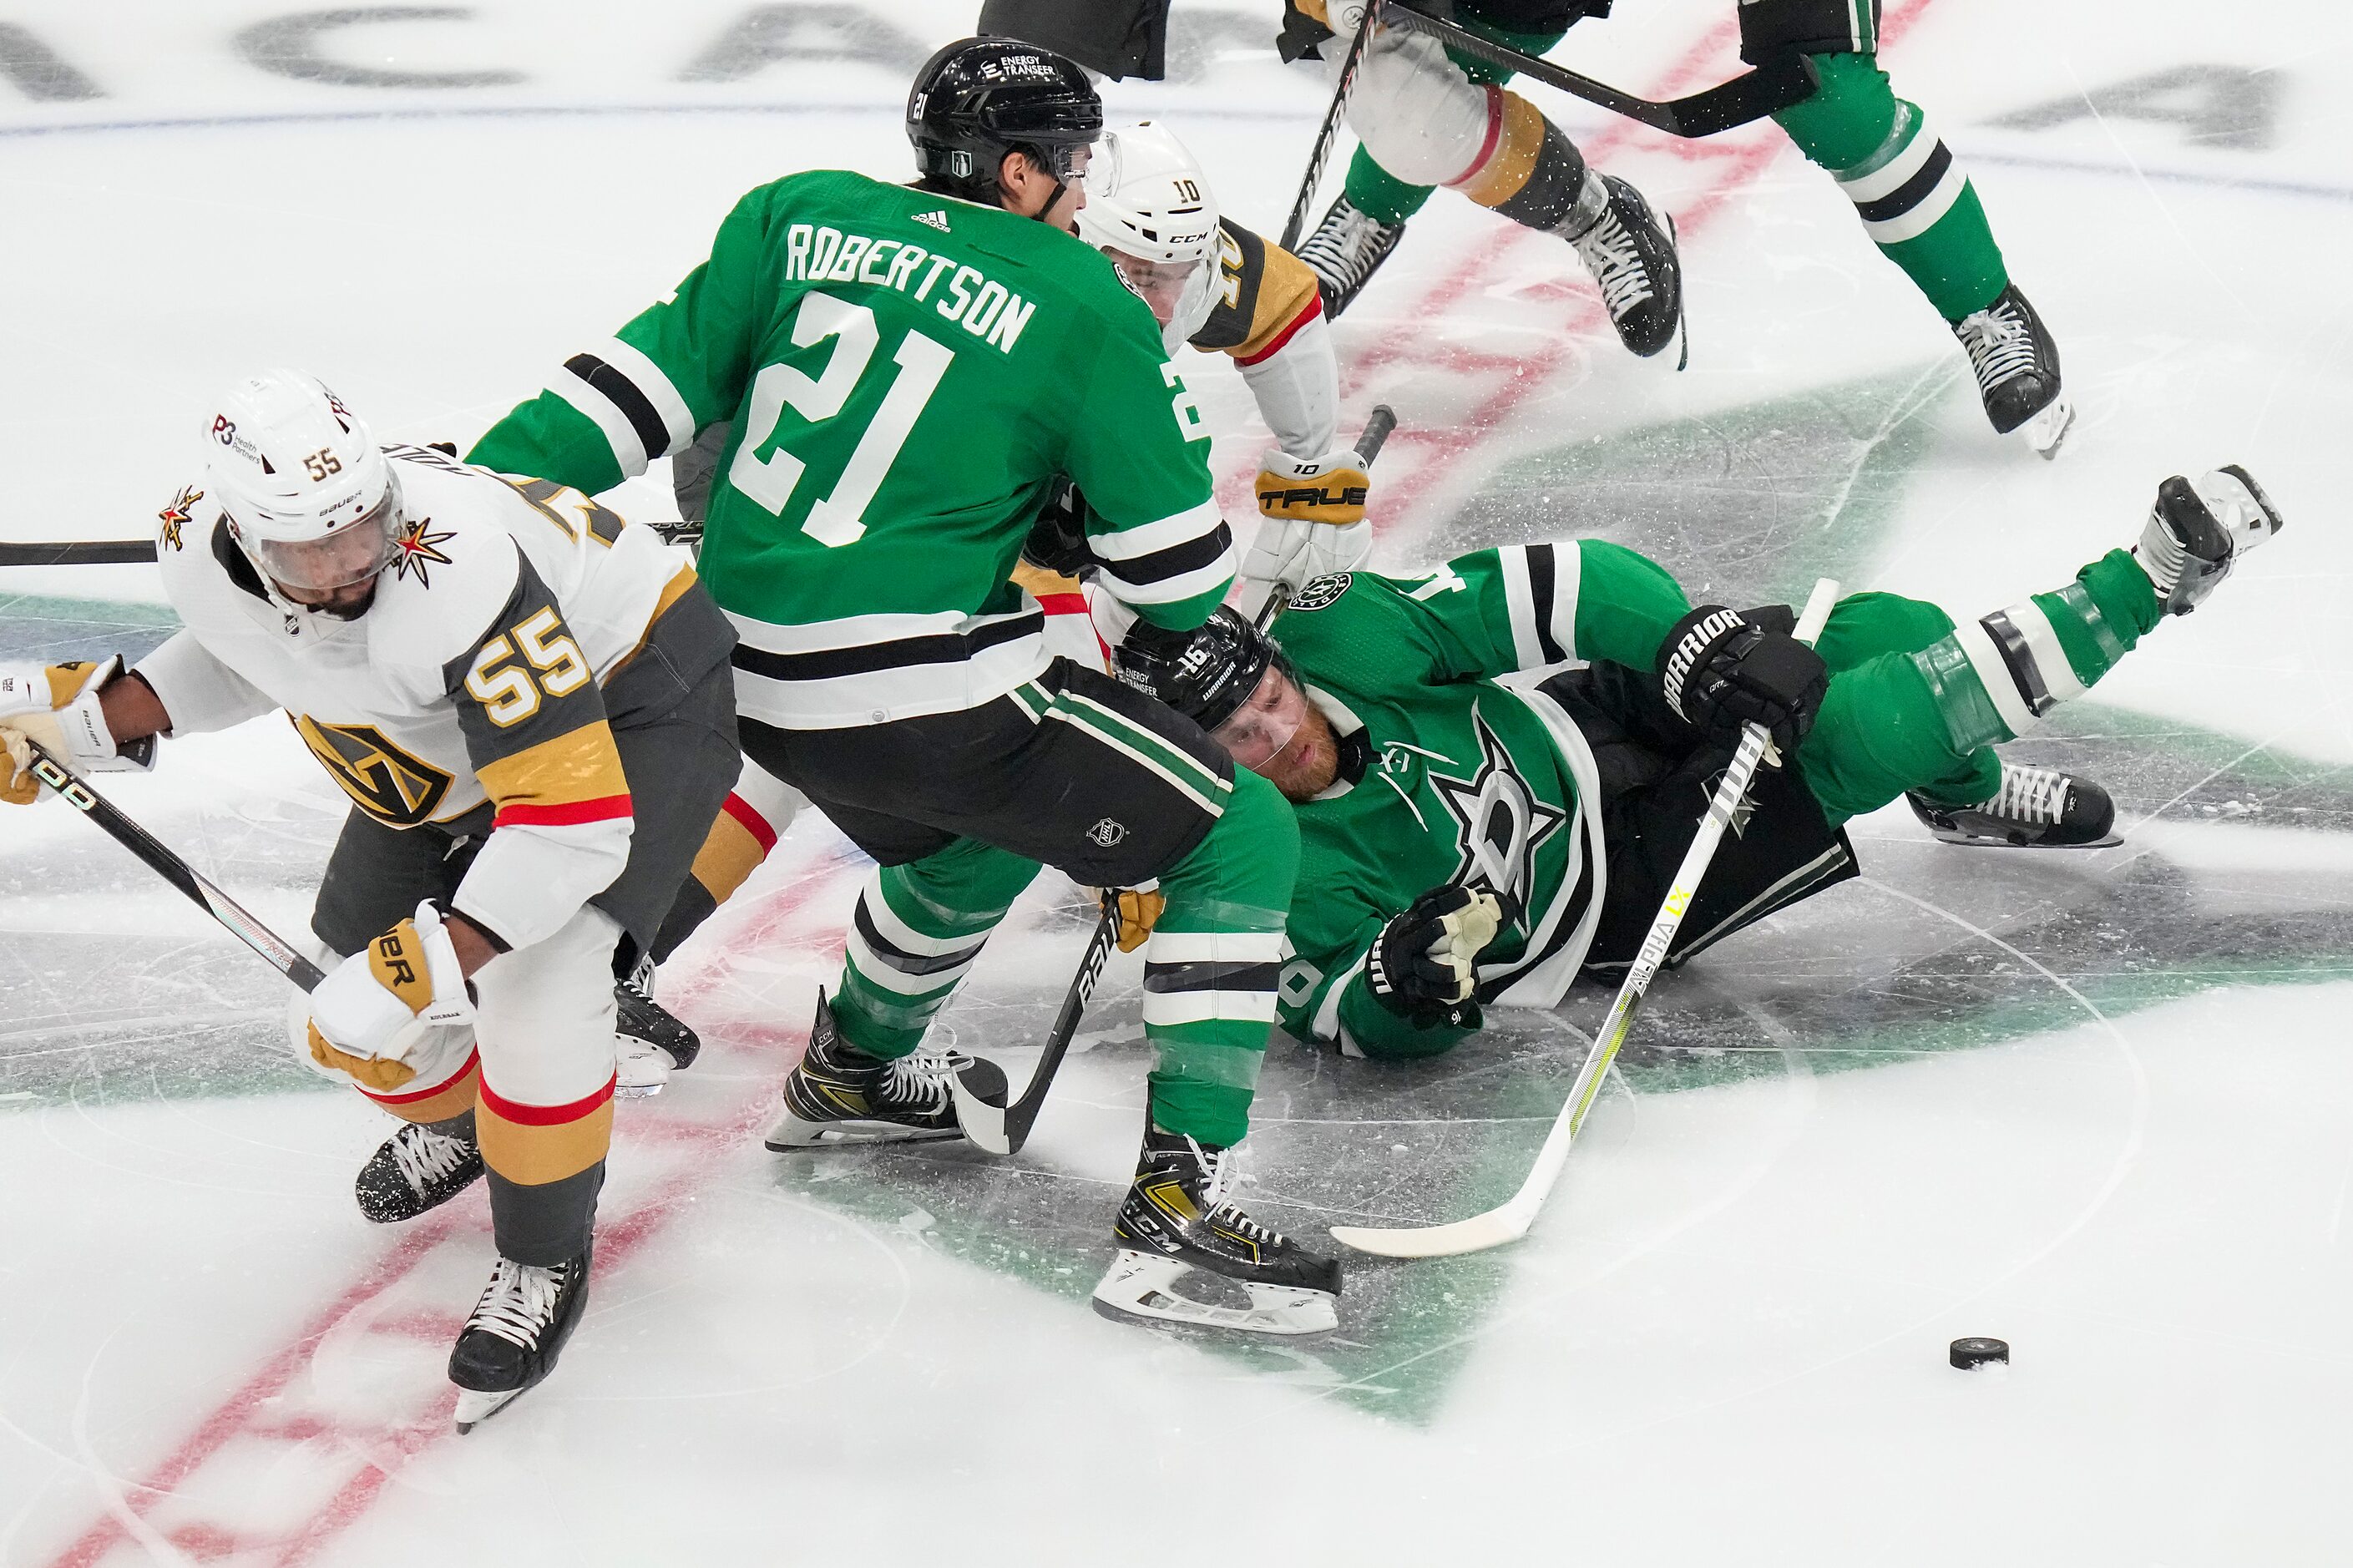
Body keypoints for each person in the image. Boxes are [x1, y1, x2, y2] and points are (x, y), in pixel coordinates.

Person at [465, 38, 1341, 1334]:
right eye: (1078, 160)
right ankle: (1178, 1207)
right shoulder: (1078, 291)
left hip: (730, 668)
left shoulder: (798, 211)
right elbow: (1176, 581)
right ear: (1027, 169)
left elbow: (623, 397)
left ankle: (858, 1072)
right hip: (905, 689)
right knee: (1242, 830)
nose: (1089, 182)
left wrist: (469, 506)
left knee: (987, 827)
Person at [0, 371, 742, 1429]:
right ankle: (477, 1125)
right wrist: (89, 723)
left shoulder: (458, 574)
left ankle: (543, 1256)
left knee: (544, 977)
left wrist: (436, 959)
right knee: (350, 956)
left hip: (634, 696)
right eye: (314, 551)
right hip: (466, 733)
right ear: (248, 541)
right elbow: (254, 650)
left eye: (367, 528)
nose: (354, 565)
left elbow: (564, 819)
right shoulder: (209, 541)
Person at [1118, 466, 2281, 1059]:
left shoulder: (1340, 633)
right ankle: (2145, 585)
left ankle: (1962, 796)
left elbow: (1557, 586)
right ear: (1199, 757)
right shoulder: (1242, 866)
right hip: (1611, 895)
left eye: (1268, 698)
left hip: (1579, 722)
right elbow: (1332, 1012)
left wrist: (1688, 654)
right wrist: (1400, 981)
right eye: (1239, 736)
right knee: (1864, 725)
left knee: (1884, 628)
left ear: (1276, 659)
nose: (1275, 732)